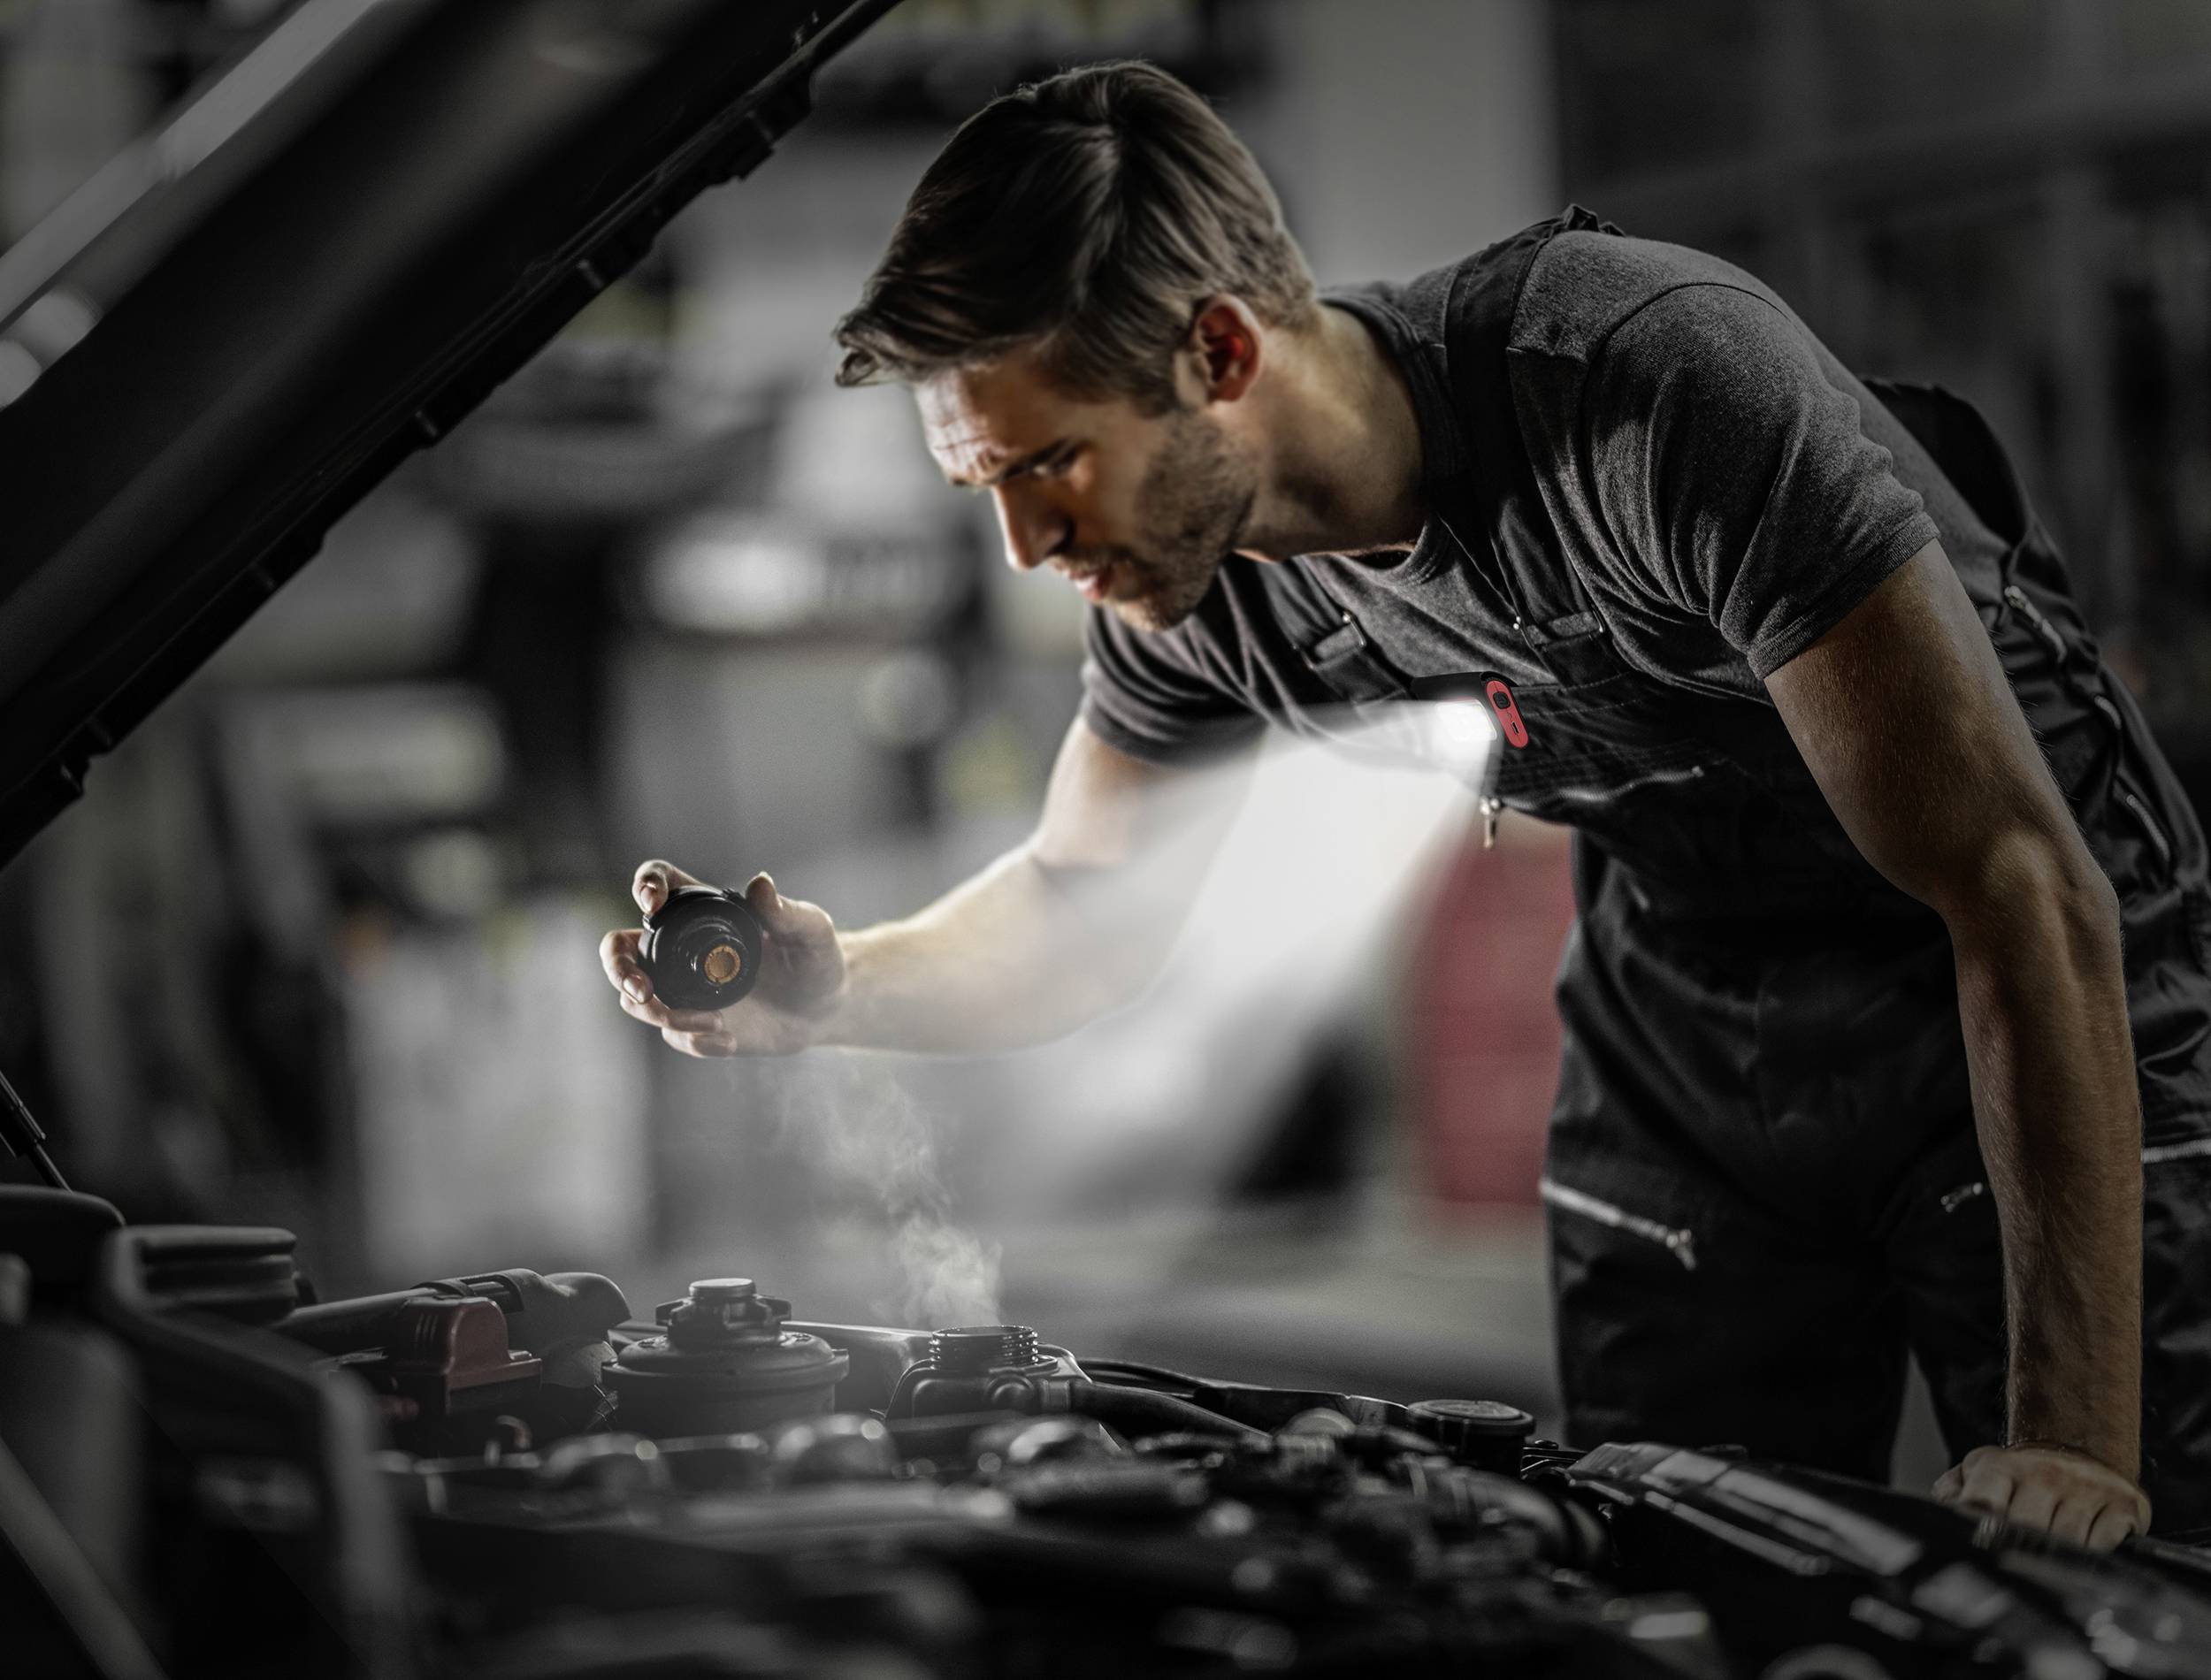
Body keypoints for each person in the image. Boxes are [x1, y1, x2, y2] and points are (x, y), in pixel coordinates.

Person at [599, 61, 2211, 1547]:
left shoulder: (1642, 388)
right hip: (1693, 987)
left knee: (2106, 1574)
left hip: (2021, 959)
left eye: (1051, 466)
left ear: (1220, 353)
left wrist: (2077, 1449)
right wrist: (832, 987)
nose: (1027, 547)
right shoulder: (1193, 597)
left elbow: (2012, 880)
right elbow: (1081, 913)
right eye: (989, 486)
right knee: (1664, 1559)